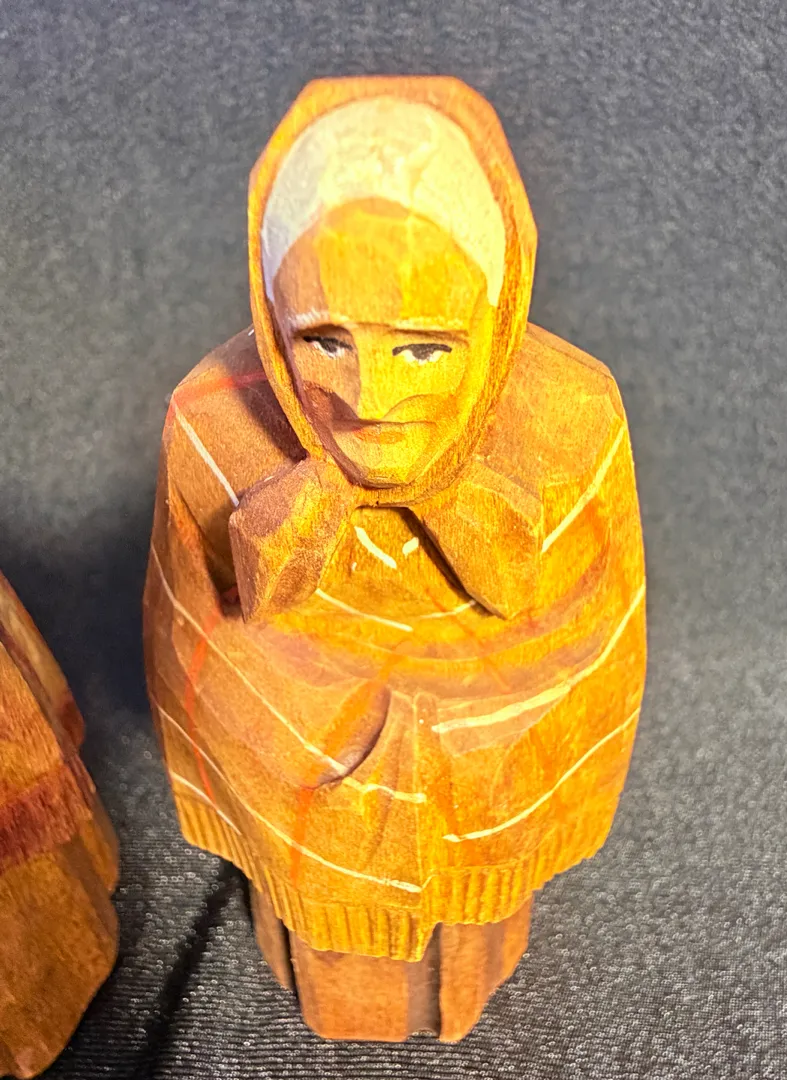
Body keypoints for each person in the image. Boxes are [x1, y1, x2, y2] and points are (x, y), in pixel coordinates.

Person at [144, 76, 646, 1040]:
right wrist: (338, 730)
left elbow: (600, 636)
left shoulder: (573, 417)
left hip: (490, 741)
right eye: (324, 342)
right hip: (299, 739)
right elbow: (190, 635)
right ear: (270, 310)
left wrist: (462, 732)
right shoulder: (212, 421)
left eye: (422, 350)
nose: (368, 399)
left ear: (496, 313)